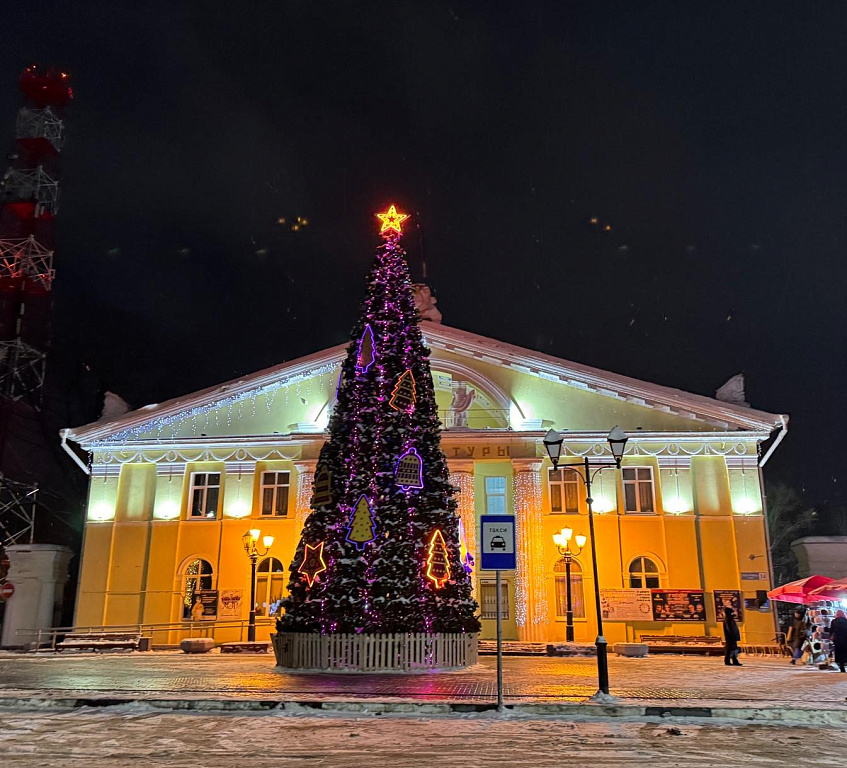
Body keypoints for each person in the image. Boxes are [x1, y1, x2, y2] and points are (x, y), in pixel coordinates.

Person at [830, 609, 847, 673]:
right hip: (845, 640)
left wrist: (831, 636)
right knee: (845, 653)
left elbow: (832, 630)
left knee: (839, 653)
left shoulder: (834, 621)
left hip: (837, 640)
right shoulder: (846, 621)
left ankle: (841, 667)